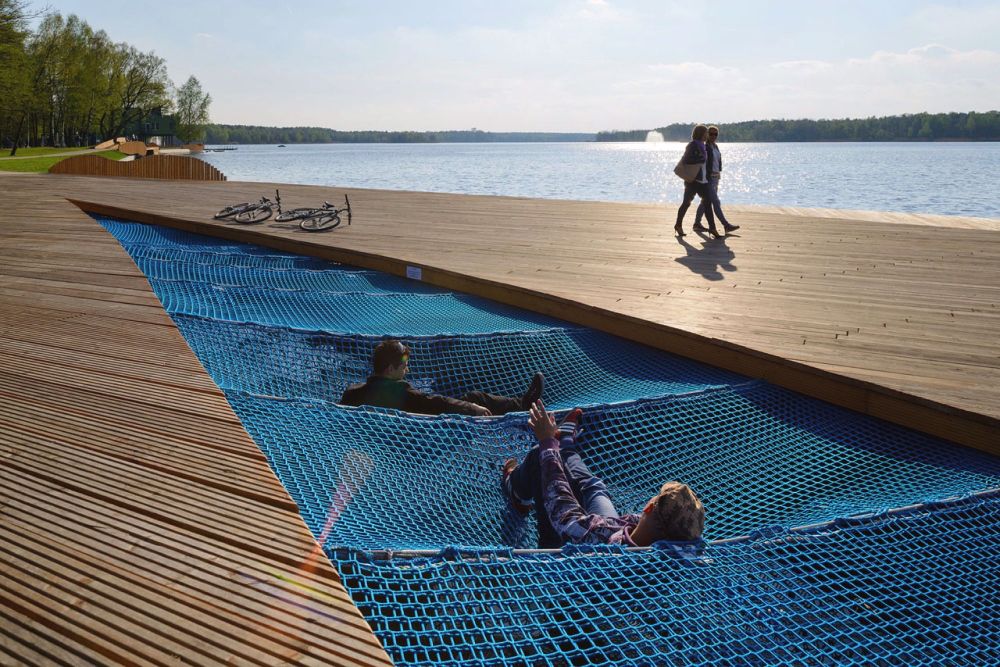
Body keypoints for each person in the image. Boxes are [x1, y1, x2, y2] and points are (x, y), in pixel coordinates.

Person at [501, 400, 705, 547]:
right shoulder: (664, 551)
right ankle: (566, 443)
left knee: (541, 457)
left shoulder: (598, 540)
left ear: (650, 507)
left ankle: (516, 491)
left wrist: (547, 441)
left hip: (563, 554)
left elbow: (561, 505)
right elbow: (651, 523)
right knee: (593, 487)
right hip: (617, 537)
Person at [340, 339, 543, 417]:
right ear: (391, 368)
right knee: (475, 398)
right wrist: (472, 408)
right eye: (403, 366)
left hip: (387, 440)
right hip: (424, 442)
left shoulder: (352, 393)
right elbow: (437, 403)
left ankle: (522, 404)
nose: (407, 370)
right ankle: (524, 405)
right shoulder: (400, 392)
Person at [674, 124, 721, 239]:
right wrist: (700, 158)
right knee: (686, 203)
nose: (707, 135)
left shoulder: (704, 146)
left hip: (703, 181)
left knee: (707, 203)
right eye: (706, 133)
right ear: (701, 134)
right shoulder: (692, 145)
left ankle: (712, 228)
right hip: (693, 181)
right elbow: (686, 160)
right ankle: (678, 225)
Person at [694, 125, 740, 235]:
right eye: (711, 134)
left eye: (716, 134)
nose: (714, 136)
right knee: (716, 202)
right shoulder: (706, 147)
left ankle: (696, 224)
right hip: (709, 179)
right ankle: (726, 225)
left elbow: (717, 162)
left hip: (716, 179)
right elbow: (703, 163)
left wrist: (718, 172)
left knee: (705, 201)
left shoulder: (715, 146)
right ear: (707, 135)